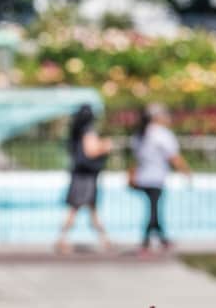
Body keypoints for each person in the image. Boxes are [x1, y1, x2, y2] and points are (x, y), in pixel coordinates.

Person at [129, 103, 192, 254]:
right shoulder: (161, 134)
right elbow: (173, 156)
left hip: (144, 176)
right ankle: (146, 241)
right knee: (154, 210)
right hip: (155, 177)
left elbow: (136, 157)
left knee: (153, 208)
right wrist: (186, 171)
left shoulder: (140, 134)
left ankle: (163, 239)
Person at [56, 105, 114, 253]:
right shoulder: (87, 130)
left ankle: (105, 240)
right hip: (86, 176)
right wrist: (105, 146)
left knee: (88, 209)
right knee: (77, 209)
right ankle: (62, 239)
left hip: (80, 174)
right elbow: (91, 151)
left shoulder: (76, 131)